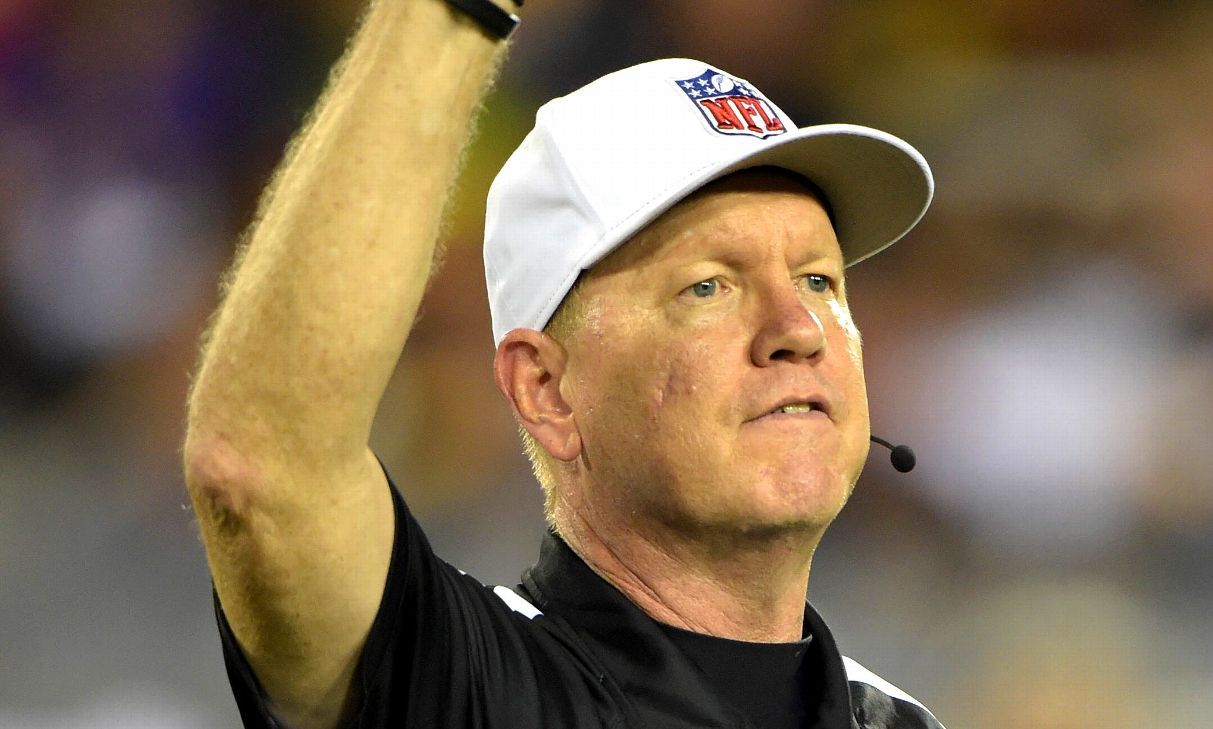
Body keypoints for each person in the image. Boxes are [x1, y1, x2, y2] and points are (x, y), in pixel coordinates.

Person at [182, 1, 944, 728]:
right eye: (708, 286)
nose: (798, 328)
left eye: (818, 278)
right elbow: (260, 471)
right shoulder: (464, 683)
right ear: (545, 389)